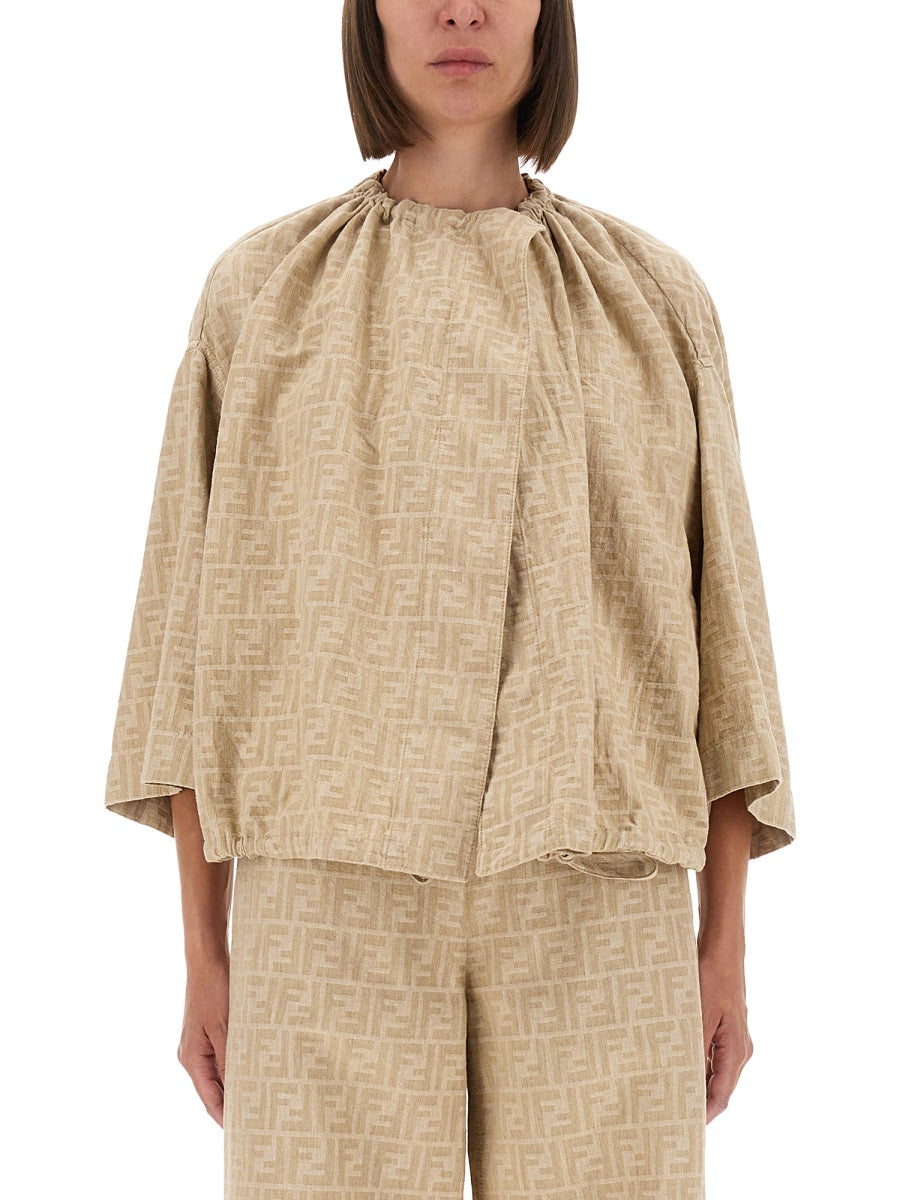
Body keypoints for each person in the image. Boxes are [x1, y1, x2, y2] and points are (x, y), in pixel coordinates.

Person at [103, 2, 796, 1196]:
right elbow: (189, 635)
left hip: (601, 889)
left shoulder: (652, 298)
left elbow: (722, 631)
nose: (462, 9)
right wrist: (203, 954)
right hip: (326, 889)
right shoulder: (262, 294)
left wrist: (723, 943)